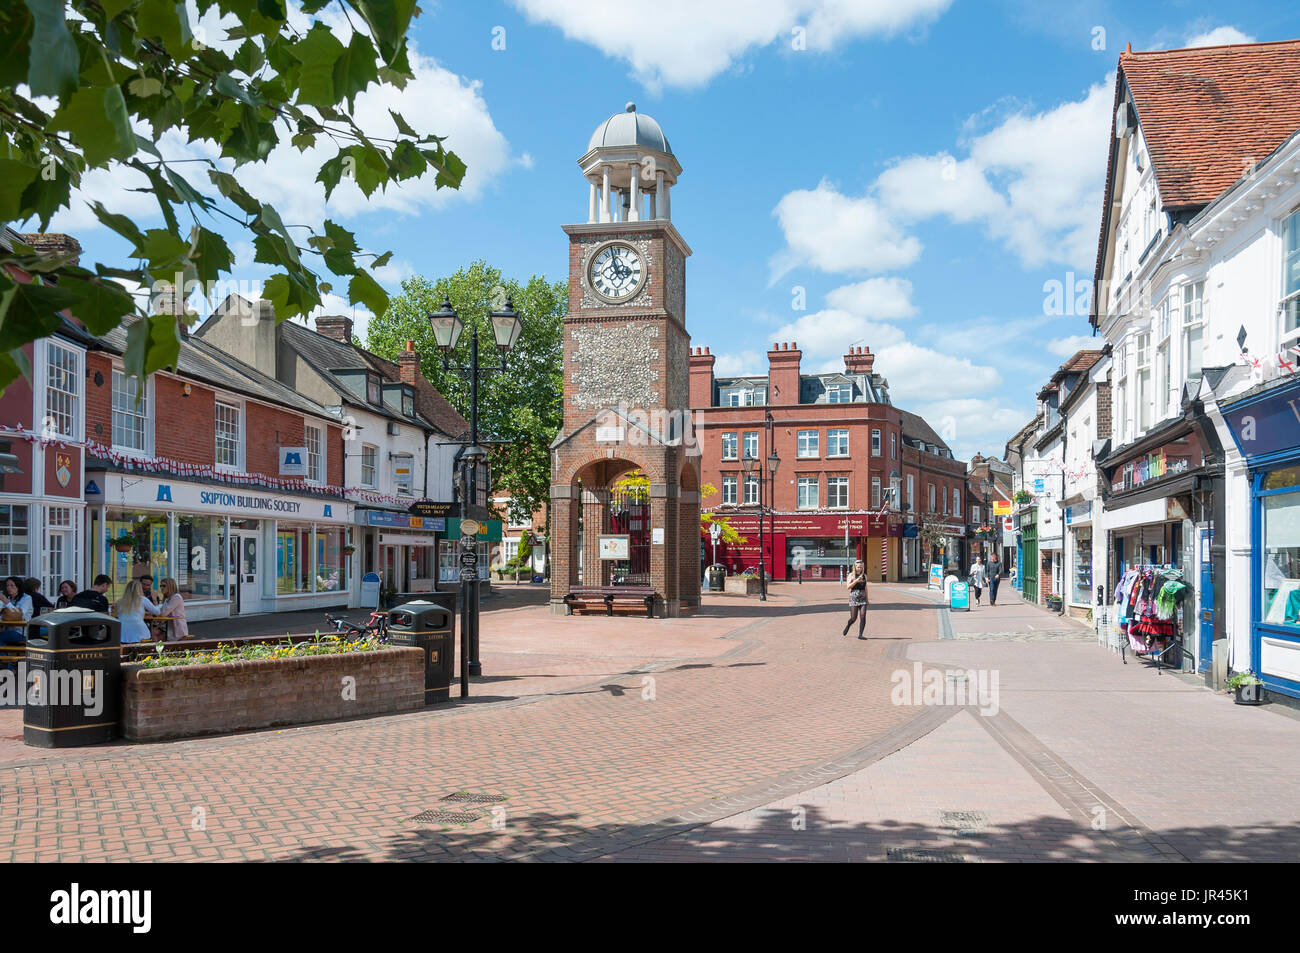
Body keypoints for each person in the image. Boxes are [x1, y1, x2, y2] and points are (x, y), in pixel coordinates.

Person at [115, 580, 159, 645]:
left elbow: (120, 615)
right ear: (139, 589)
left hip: (122, 630)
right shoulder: (142, 599)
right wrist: (155, 599)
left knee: (124, 650)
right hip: (139, 629)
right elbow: (157, 612)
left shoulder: (119, 601)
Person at [841, 558, 871, 640]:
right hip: (854, 597)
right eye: (858, 567)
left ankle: (860, 634)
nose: (860, 569)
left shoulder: (864, 576)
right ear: (855, 567)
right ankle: (848, 625)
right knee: (854, 618)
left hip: (863, 598)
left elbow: (866, 588)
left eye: (861, 567)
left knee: (863, 616)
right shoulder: (851, 575)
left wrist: (867, 599)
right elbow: (848, 587)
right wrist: (856, 581)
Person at [0, 576, 32, 645]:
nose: (9, 587)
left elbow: (20, 614)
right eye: (7, 585)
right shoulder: (8, 598)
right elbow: (2, 614)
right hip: (7, 630)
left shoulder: (26, 598)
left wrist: (6, 602)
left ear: (18, 586)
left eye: (12, 585)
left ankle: (4, 655)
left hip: (20, 632)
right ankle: (4, 655)